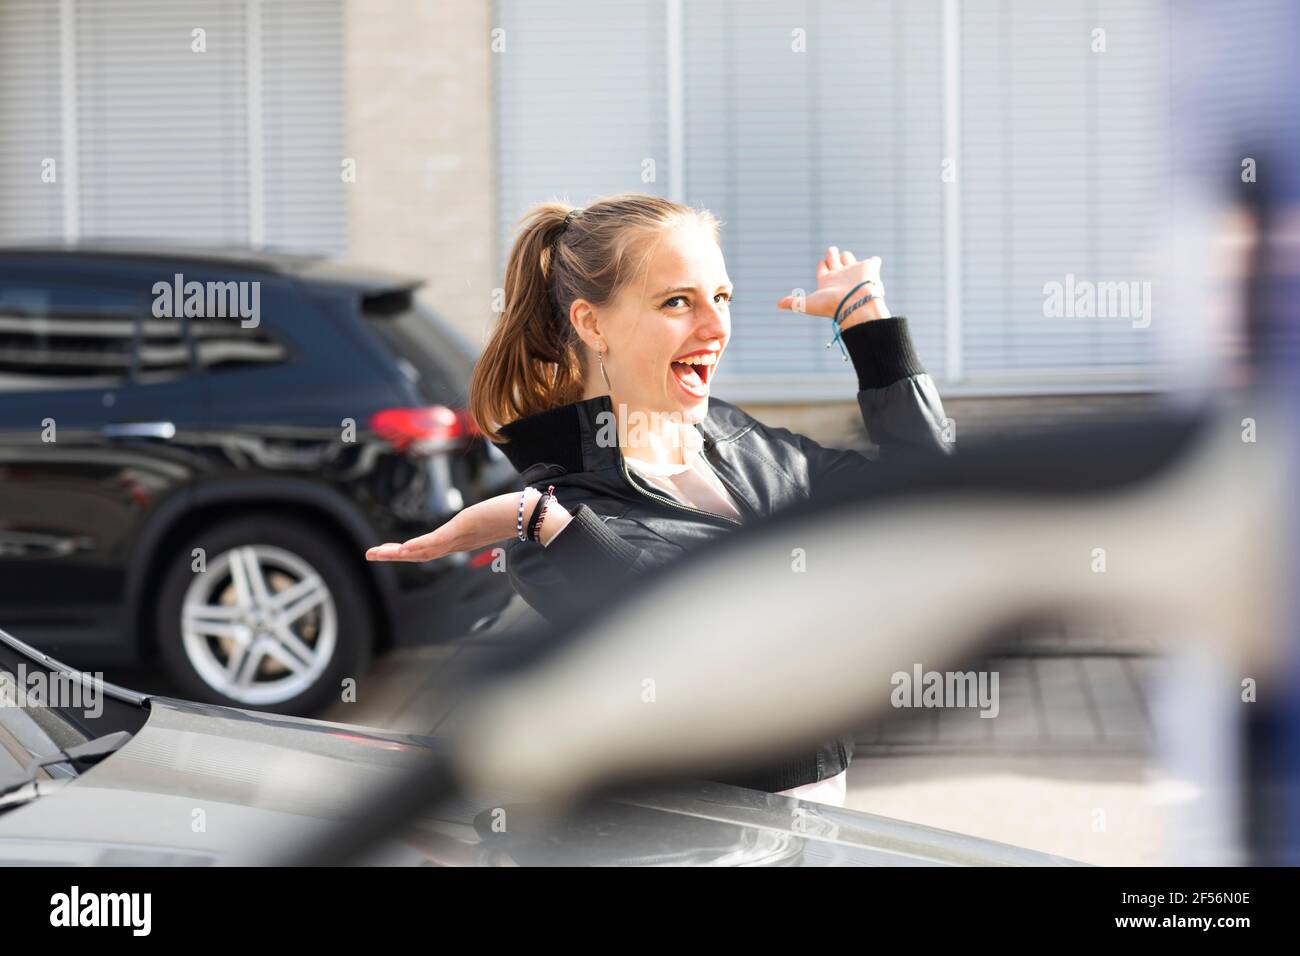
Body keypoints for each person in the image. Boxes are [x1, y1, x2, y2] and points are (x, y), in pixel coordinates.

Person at [368, 193, 951, 805]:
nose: (716, 327)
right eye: (677, 301)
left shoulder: (750, 448)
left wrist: (867, 321)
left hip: (816, 827)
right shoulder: (563, 518)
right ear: (592, 324)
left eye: (720, 298)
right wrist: (541, 520)